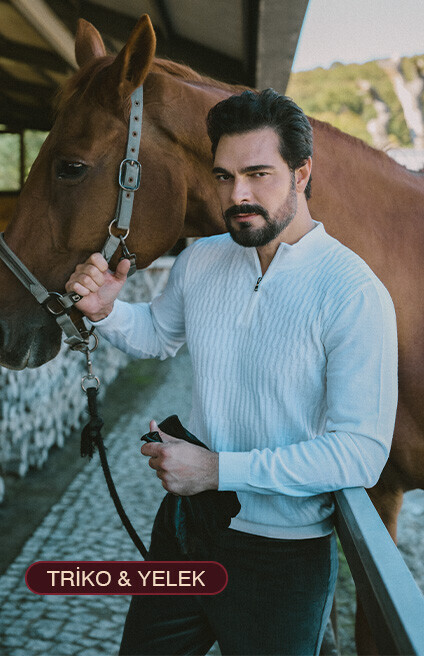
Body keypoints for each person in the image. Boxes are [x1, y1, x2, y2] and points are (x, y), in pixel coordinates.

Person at [65, 89, 398, 655]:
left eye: (258, 174)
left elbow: (360, 453)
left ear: (301, 173)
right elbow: (159, 334)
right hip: (185, 529)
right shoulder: (202, 257)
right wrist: (106, 312)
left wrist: (218, 470)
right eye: (224, 176)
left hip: (282, 555)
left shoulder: (354, 293)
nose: (237, 195)